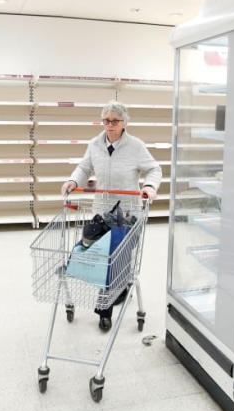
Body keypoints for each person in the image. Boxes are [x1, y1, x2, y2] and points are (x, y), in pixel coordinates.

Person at [61, 101, 161, 331]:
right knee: (102, 255)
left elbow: (154, 169)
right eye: (106, 120)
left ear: (125, 122)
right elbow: (85, 168)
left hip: (127, 214)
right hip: (102, 212)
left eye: (115, 121)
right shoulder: (94, 144)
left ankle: (104, 311)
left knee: (113, 259)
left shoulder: (136, 146)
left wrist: (150, 187)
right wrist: (73, 180)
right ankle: (120, 288)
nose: (110, 125)